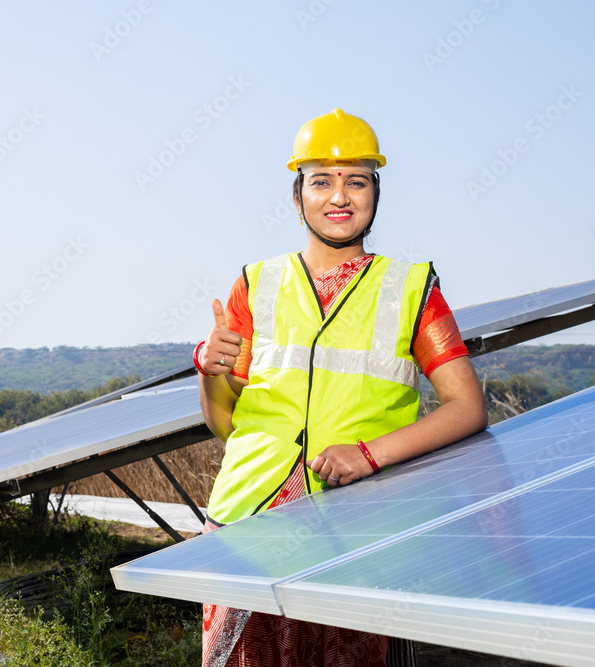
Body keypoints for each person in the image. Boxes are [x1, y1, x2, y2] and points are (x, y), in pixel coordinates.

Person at [194, 108, 489, 667]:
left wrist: (369, 455)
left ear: (376, 192)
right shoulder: (254, 285)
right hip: (248, 522)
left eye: (356, 181)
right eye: (321, 181)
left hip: (362, 529)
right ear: (298, 194)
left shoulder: (411, 289)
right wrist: (210, 375)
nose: (339, 196)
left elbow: (467, 406)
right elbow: (226, 426)